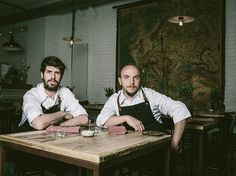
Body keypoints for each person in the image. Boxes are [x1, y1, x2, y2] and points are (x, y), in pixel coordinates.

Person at [96, 64, 191, 152]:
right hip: (131, 150)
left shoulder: (150, 95)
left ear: (140, 80)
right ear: (120, 81)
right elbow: (101, 120)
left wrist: (174, 144)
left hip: (157, 150)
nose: (131, 82)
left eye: (135, 78)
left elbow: (180, 109)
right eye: (126, 77)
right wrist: (127, 118)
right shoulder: (114, 99)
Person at [19, 56, 88, 130]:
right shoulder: (31, 95)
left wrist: (61, 125)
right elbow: (38, 124)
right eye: (49, 72)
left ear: (61, 76)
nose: (53, 77)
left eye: (57, 73)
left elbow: (84, 119)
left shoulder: (65, 92)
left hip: (51, 137)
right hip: (27, 137)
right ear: (42, 74)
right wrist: (62, 114)